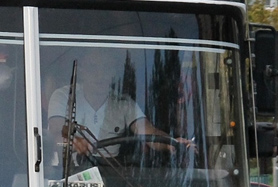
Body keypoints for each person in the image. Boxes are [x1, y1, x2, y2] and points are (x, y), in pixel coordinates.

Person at [46, 50, 186, 167]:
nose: (99, 75)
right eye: (93, 68)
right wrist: (74, 140)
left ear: (114, 73)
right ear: (81, 71)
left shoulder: (124, 103)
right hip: (65, 173)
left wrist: (171, 142)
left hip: (110, 173)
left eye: (106, 68)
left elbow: (149, 133)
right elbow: (56, 128)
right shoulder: (64, 96)